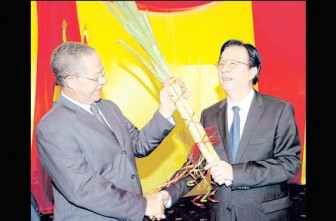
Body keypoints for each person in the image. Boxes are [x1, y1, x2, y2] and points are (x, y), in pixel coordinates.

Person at [36, 41, 180, 221]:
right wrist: (142, 205)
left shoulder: (109, 108)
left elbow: (138, 145)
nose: (103, 81)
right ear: (71, 81)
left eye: (102, 73)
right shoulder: (53, 127)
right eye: (96, 77)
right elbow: (83, 188)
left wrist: (165, 110)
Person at [159, 39, 302, 221]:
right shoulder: (208, 114)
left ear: (253, 71)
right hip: (220, 214)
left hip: (264, 214)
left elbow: (289, 163)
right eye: (221, 63)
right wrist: (168, 194)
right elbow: (198, 165)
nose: (224, 69)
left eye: (233, 63)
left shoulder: (278, 110)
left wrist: (235, 173)